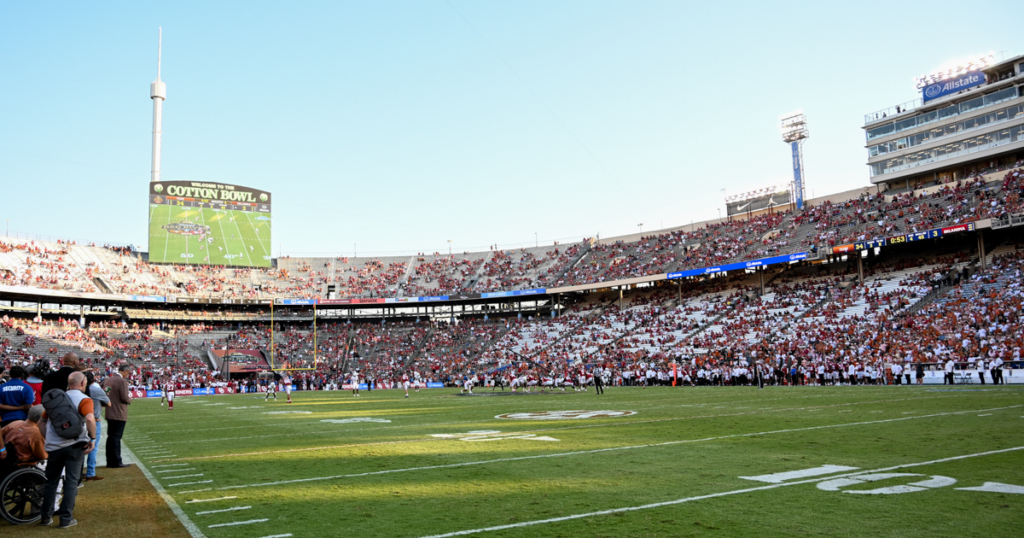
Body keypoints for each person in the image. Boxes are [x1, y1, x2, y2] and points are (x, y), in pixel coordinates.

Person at [39, 372, 96, 529]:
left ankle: (45, 516)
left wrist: (49, 438)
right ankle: (65, 518)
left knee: (51, 482)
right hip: (74, 445)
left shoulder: (57, 398)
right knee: (71, 482)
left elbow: (41, 421)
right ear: (83, 382)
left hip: (54, 446)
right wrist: (92, 438)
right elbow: (90, 418)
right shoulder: (84, 399)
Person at [0, 405, 47, 476]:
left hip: (7, 460)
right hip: (22, 463)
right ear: (40, 419)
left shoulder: (15, 423)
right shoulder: (37, 433)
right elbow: (42, 456)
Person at [101, 364, 133, 469]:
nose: (127, 375)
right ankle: (116, 461)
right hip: (118, 412)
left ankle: (110, 461)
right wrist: (130, 400)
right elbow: (124, 397)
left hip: (109, 412)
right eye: (128, 373)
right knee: (116, 438)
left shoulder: (109, 380)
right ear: (125, 371)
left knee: (111, 437)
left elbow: (105, 394)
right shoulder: (122, 381)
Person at [83, 370, 109, 482]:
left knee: (79, 446)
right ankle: (90, 473)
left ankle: (78, 472)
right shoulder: (97, 390)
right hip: (94, 419)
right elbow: (109, 403)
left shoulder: (77, 391)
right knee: (93, 447)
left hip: (79, 421)